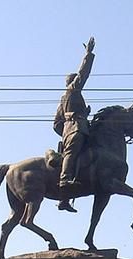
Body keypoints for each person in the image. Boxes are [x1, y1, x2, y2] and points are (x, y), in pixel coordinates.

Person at [54, 36, 95, 213]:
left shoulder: (62, 101)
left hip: (72, 129)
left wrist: (65, 129)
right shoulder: (73, 90)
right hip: (76, 129)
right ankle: (64, 180)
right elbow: (83, 73)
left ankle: (65, 200)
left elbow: (56, 124)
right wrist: (89, 54)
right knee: (73, 150)